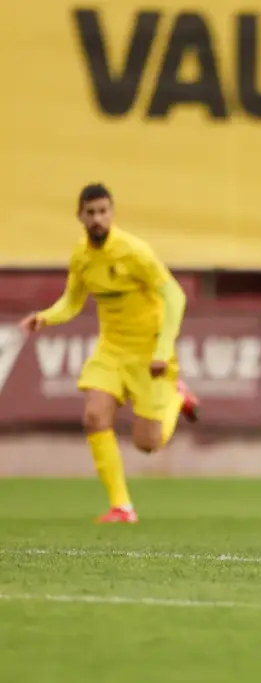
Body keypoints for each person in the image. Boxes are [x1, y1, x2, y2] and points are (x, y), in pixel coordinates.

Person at [18, 184, 199, 523]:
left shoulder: (135, 252)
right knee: (93, 418)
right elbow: (72, 302)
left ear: (112, 213)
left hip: (149, 353)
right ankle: (122, 507)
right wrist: (44, 317)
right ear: (80, 217)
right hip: (112, 349)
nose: (98, 218)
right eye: (91, 213)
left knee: (148, 443)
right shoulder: (82, 256)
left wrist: (162, 349)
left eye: (104, 211)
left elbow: (175, 297)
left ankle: (178, 397)